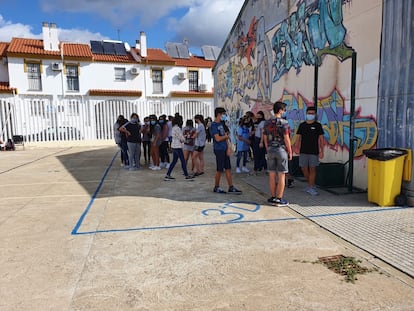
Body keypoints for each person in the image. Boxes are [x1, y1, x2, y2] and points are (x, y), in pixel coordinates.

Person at [263, 101, 293, 206]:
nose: (284, 112)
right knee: (281, 175)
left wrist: (268, 148)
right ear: (280, 110)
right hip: (281, 149)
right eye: (284, 110)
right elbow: (286, 138)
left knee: (271, 174)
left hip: (270, 149)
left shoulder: (267, 122)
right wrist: (290, 151)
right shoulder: (284, 123)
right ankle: (279, 198)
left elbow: (265, 137)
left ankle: (272, 197)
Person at [209, 107, 242, 194]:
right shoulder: (214, 125)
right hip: (219, 149)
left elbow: (226, 138)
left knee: (228, 168)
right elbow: (217, 138)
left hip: (224, 148)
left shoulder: (222, 124)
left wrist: (228, 147)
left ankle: (231, 187)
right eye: (223, 114)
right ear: (219, 114)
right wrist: (226, 137)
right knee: (219, 169)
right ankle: (216, 186)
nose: (224, 116)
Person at [296, 106, 324, 195]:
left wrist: (321, 151)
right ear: (306, 114)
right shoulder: (302, 125)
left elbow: (321, 139)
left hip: (314, 151)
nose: (310, 115)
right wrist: (296, 147)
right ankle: (310, 184)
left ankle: (311, 187)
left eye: (312, 113)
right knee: (304, 168)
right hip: (303, 150)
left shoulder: (318, 125)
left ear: (315, 115)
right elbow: (298, 137)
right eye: (309, 113)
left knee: (312, 169)